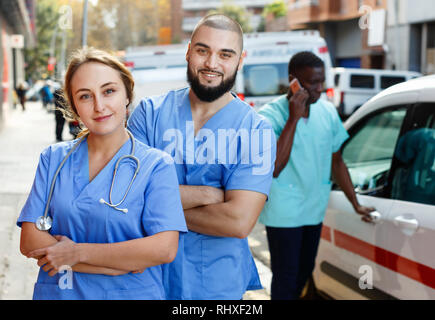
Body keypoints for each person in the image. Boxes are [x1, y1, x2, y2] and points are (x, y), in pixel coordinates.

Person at [17, 47, 187, 300]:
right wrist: (118, 264)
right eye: (85, 96)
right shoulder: (53, 159)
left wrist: (76, 254)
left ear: (127, 95)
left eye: (109, 91)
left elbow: (163, 249)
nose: (99, 106)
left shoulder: (156, 165)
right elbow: (30, 241)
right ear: (74, 106)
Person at [127, 14, 276, 300]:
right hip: (147, 280)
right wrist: (208, 194)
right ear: (188, 51)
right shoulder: (148, 114)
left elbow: (237, 221)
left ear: (240, 60)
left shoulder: (255, 130)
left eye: (225, 54)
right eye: (203, 50)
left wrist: (156, 208)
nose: (211, 63)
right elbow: (127, 197)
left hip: (216, 289)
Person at [257, 51, 375, 300]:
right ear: (294, 81)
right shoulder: (269, 116)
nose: (320, 89)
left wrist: (356, 204)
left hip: (313, 208)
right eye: (313, 83)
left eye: (322, 82)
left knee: (305, 270)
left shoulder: (328, 112)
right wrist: (293, 119)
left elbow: (337, 161)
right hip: (283, 213)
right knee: (286, 277)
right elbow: (274, 166)